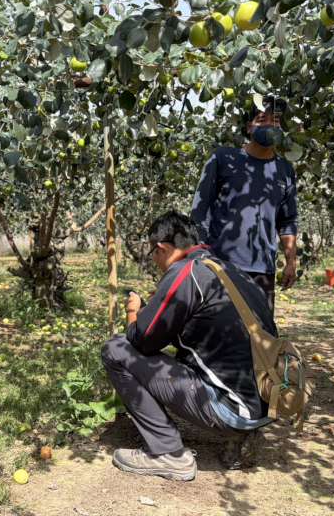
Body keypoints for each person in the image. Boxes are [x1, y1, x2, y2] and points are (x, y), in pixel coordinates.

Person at [101, 211, 276, 481]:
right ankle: (243, 436)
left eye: (153, 254)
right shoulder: (229, 270)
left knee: (115, 349)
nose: (156, 262)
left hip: (229, 409)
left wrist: (134, 313)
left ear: (162, 248)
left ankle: (167, 452)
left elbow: (142, 341)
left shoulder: (186, 273)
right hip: (262, 404)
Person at [191, 95, 298, 311]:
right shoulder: (224, 159)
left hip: (263, 270)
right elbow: (199, 211)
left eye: (275, 121)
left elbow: (287, 221)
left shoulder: (284, 169)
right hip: (221, 267)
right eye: (262, 119)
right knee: (222, 334)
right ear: (249, 127)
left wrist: (291, 261)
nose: (270, 125)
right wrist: (203, 257)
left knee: (262, 336)